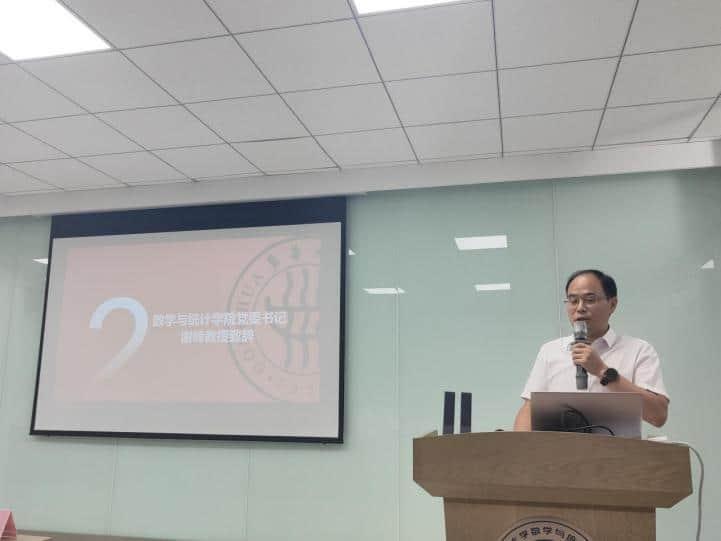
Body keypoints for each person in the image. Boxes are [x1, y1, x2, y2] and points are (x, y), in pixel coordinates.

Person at [513, 269, 669, 431]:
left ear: (612, 304)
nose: (580, 308)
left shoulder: (639, 350)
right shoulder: (550, 351)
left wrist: (602, 371)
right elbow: (529, 409)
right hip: (559, 447)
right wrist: (520, 445)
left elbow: (658, 415)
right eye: (573, 301)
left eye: (589, 300)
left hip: (616, 447)